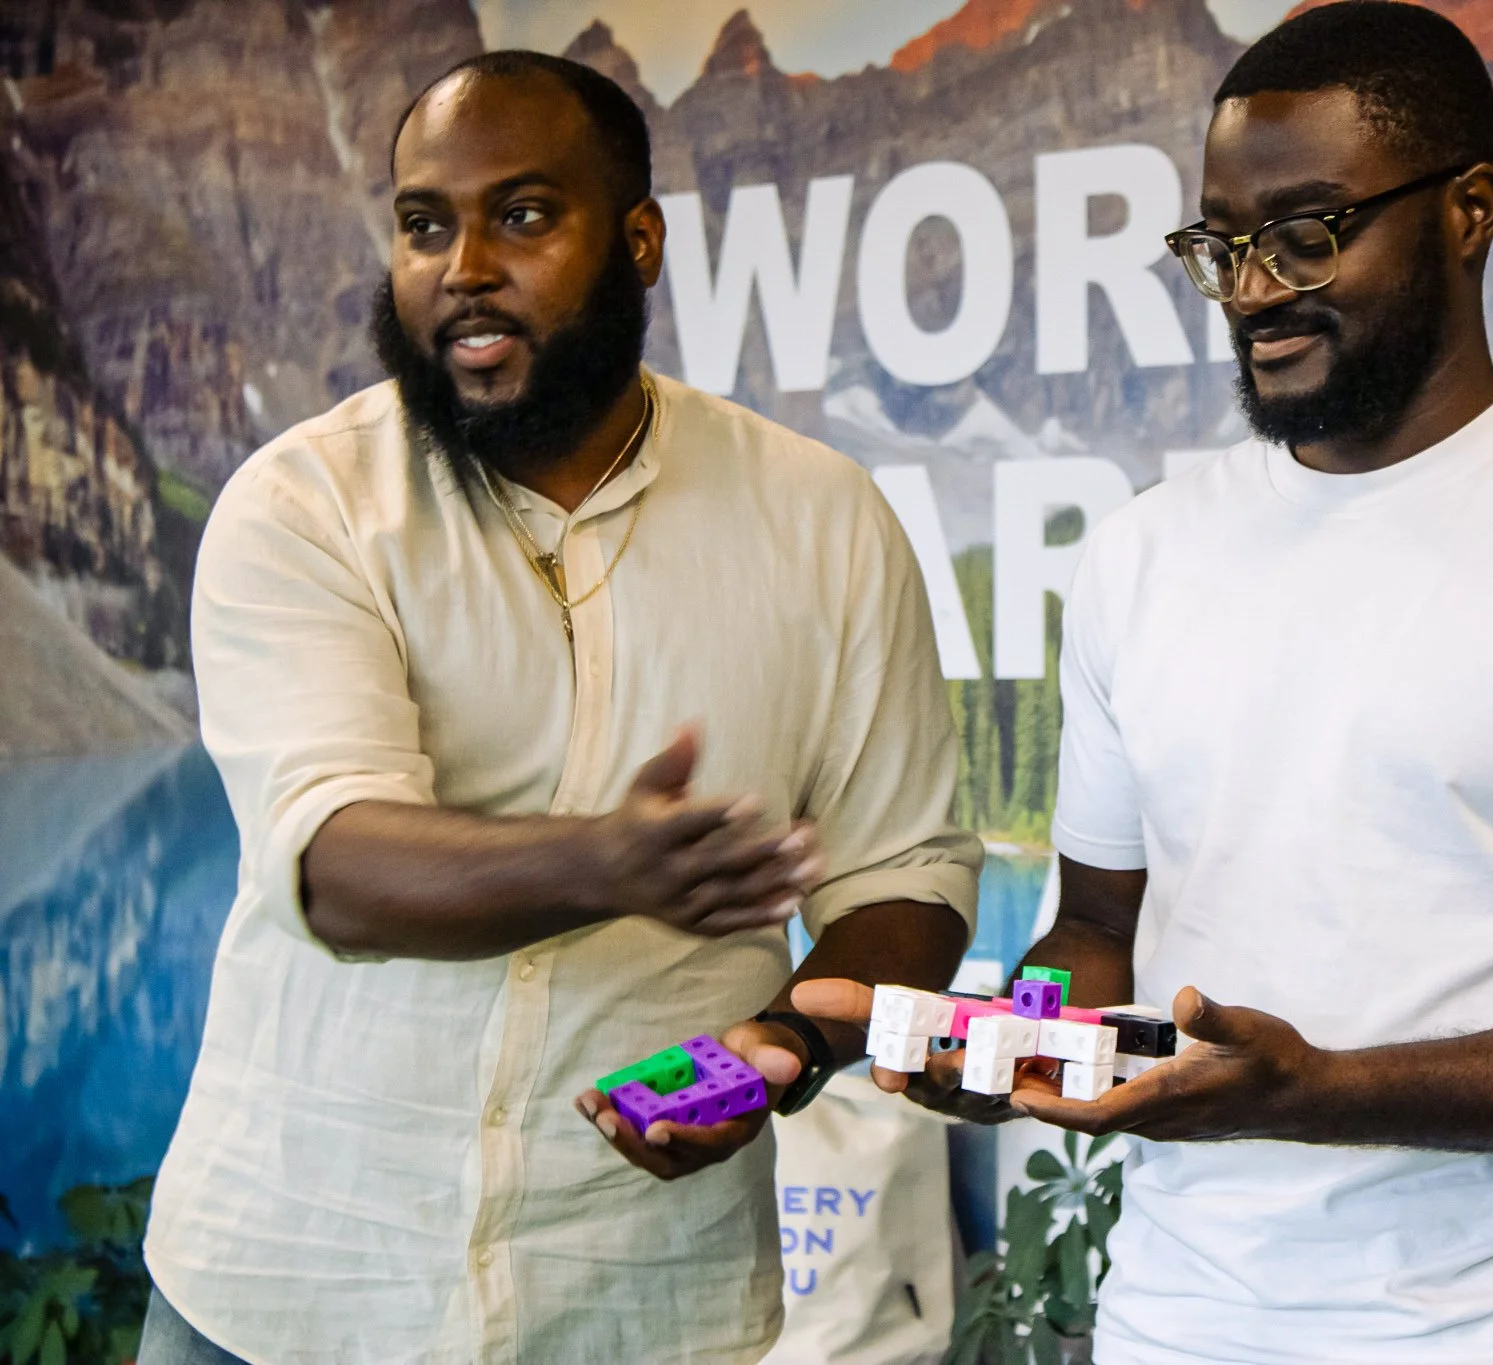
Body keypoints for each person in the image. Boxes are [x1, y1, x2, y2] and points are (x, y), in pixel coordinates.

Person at [797, 4, 1493, 1361]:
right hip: (1170, 1323)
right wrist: (1011, 1037)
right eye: (1223, 247)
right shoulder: (1144, 557)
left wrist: (1313, 1090)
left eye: (1308, 234)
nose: (1256, 288)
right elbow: (1093, 927)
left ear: (1470, 211)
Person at [137, 52, 979, 1365]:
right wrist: (612, 861)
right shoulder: (303, 506)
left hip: (643, 1303)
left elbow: (907, 877)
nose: (463, 263)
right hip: (290, 1287)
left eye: (523, 215)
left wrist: (774, 1050)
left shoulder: (823, 522)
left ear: (638, 241)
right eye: (426, 224)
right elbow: (340, 864)